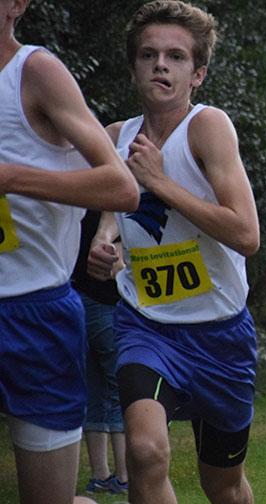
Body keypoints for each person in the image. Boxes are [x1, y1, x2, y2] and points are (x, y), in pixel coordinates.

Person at [89, 0, 259, 504]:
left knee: (223, 487)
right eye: (148, 55)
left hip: (220, 334)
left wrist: (161, 182)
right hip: (147, 326)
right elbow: (114, 212)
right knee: (144, 453)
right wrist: (106, 242)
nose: (160, 64)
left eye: (175, 56)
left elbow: (246, 235)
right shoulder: (115, 139)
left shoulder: (207, 128)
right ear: (133, 67)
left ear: (197, 73)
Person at [0, 0, 139, 504]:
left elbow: (121, 186)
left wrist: (9, 177)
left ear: (16, 2)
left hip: (34, 312)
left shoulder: (35, 72)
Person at [72, 211, 128, 496]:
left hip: (77, 297)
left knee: (94, 386)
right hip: (107, 301)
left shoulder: (77, 199)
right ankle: (124, 475)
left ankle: (99, 474)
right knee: (121, 386)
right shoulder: (119, 200)